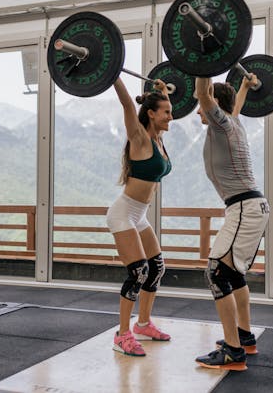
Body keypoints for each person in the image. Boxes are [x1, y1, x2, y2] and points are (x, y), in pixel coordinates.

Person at [193, 74, 270, 371]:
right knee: (233, 273)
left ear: (214, 103)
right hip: (249, 207)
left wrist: (204, 66)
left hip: (244, 208)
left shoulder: (222, 124)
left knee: (216, 273)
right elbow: (234, 104)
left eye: (202, 105)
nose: (199, 109)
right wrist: (245, 87)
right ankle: (244, 336)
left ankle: (233, 352)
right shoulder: (232, 122)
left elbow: (204, 93)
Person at [106, 77, 174, 357]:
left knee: (156, 267)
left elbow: (156, 102)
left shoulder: (158, 138)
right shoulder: (139, 137)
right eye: (167, 112)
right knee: (138, 272)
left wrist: (160, 91)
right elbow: (126, 103)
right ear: (151, 114)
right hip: (123, 213)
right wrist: (113, 74)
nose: (172, 116)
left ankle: (143, 324)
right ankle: (122, 335)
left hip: (140, 214)